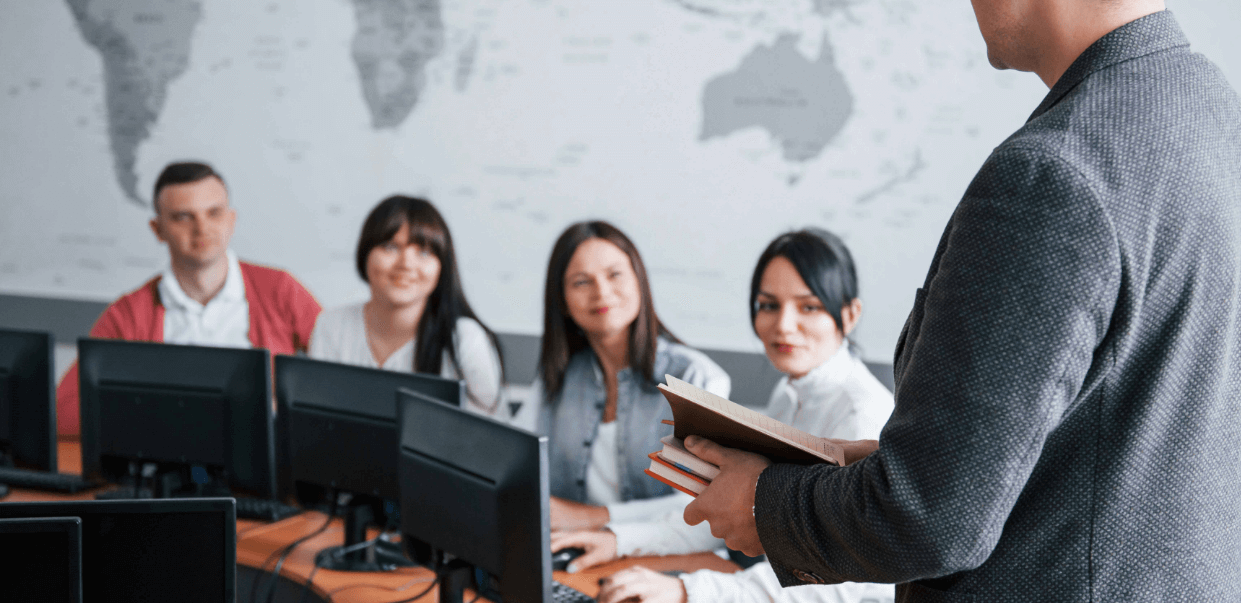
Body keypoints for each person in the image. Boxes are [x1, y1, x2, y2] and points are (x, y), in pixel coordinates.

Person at [682, 0, 1241, 600]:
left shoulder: (1053, 176)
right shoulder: (1230, 124)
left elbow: (930, 520)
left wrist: (766, 504)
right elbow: (1116, 433)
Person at [555, 229, 895, 603]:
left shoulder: (862, 413)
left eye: (808, 306)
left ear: (850, 314)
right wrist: (621, 541)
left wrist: (688, 590)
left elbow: (840, 579)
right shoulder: (788, 393)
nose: (783, 325)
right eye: (768, 305)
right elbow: (730, 506)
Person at [55, 161, 322, 434]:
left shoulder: (280, 289)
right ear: (157, 229)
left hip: (264, 464)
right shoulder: (129, 314)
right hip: (168, 463)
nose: (201, 228)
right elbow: (63, 411)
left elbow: (339, 385)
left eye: (214, 213)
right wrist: (159, 411)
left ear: (231, 220)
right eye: (183, 217)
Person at [512, 221, 731, 536]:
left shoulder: (697, 377)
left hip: (662, 562)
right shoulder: (556, 376)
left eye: (614, 275)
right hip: (574, 555)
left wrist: (594, 517)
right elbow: (510, 462)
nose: (601, 293)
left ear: (639, 280)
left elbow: (697, 504)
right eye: (581, 282)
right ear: (562, 299)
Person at [308, 195, 505, 417]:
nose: (406, 264)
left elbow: (494, 438)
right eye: (390, 247)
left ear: (442, 267)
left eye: (424, 252)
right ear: (365, 254)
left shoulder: (465, 340)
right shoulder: (331, 326)